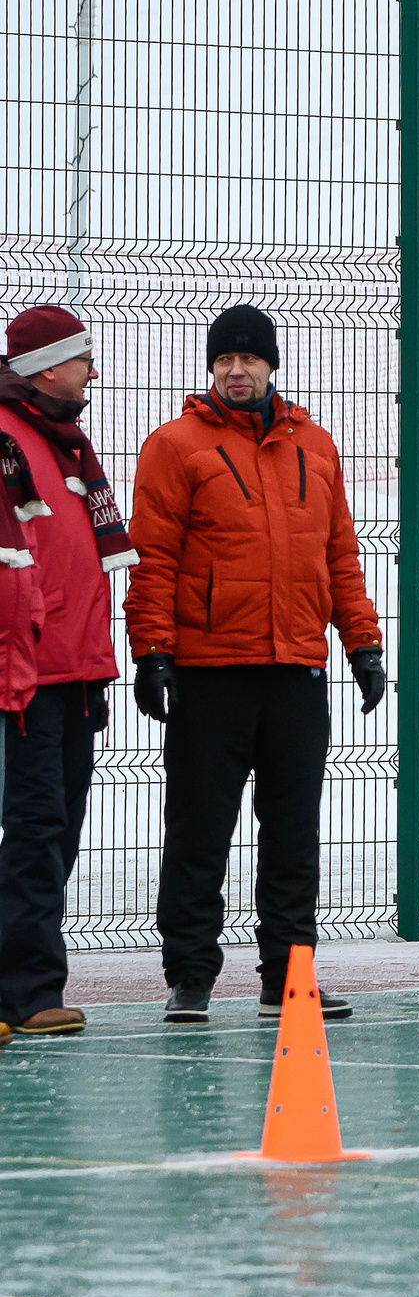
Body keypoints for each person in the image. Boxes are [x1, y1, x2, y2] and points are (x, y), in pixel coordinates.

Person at [128, 304, 385, 1024]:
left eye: (248, 358)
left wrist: (362, 642)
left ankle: (289, 978)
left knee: (293, 836)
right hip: (211, 672)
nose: (236, 370)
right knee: (199, 831)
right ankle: (190, 977)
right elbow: (153, 559)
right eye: (224, 359)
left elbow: (339, 556)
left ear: (272, 365)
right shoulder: (175, 446)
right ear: (211, 367)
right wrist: (152, 652)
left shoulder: (316, 447)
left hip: (296, 670)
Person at [0, 305, 131, 1039]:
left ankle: (20, 985)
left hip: (75, 670)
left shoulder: (66, 444)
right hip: (26, 674)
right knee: (36, 828)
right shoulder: (8, 440)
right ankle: (27, 992)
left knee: (58, 827)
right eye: (83, 359)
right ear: (48, 368)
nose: (92, 371)